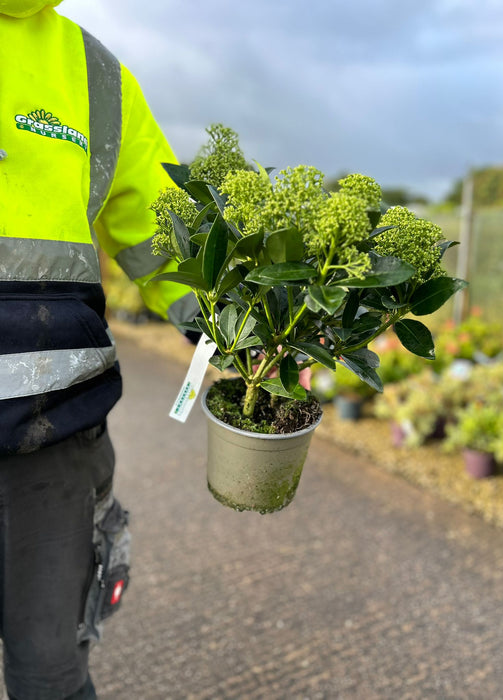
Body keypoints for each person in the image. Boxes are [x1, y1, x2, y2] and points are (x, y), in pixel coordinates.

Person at [0, 2, 195, 698]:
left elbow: (163, 228)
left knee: (50, 676)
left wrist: (245, 318)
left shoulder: (96, 74)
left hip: (54, 444)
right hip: (57, 440)